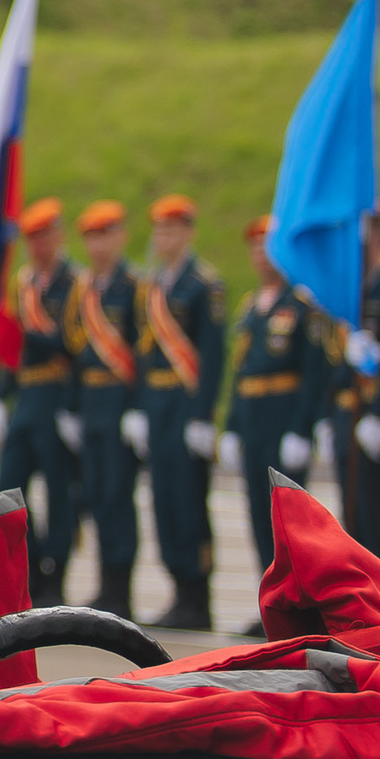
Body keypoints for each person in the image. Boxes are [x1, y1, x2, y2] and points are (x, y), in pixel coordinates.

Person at [221, 216, 332, 617]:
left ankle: (300, 602)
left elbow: (314, 371)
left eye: (267, 246)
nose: (260, 255)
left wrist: (303, 428)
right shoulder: (252, 307)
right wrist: (231, 426)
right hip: (253, 418)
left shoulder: (302, 305)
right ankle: (273, 600)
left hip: (283, 415)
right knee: (257, 513)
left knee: (288, 519)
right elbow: (241, 370)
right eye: (254, 247)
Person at [135, 193, 226, 631]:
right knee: (165, 499)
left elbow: (211, 356)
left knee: (190, 502)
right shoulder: (154, 286)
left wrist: (202, 415)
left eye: (172, 229)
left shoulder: (204, 285)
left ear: (188, 232)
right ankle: (177, 587)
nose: (164, 237)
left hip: (185, 405)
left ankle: (197, 593)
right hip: (158, 405)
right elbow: (144, 354)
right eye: (159, 229)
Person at [0, 198, 82, 607]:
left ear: (58, 236)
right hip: (26, 396)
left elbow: (74, 344)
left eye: (44, 236)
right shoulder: (23, 283)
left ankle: (56, 571)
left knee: (60, 492)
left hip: (56, 394)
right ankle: (33, 563)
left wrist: (72, 405)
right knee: (9, 487)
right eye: (32, 239)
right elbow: (8, 348)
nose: (38, 246)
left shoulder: (74, 283)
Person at [61, 200, 143, 618]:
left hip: (118, 401)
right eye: (90, 236)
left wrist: (136, 408)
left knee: (116, 495)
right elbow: (76, 352)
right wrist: (72, 406)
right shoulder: (85, 288)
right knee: (93, 495)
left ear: (120, 236)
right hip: (91, 402)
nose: (97, 245)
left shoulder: (134, 286)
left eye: (104, 234)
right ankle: (104, 585)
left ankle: (121, 587)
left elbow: (143, 352)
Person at [328, 207, 380, 568]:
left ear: (379, 236)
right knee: (352, 517)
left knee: (378, 514)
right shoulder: (347, 290)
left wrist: (379, 413)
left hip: (378, 417)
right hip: (346, 413)